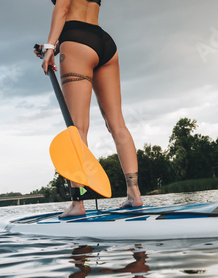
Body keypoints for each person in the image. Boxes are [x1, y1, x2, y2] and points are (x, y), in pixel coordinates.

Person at [36, 0, 142, 217]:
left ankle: (77, 203)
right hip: (104, 42)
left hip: (76, 41)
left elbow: (64, 8)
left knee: (78, 130)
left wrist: (49, 48)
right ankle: (134, 194)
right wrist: (55, 47)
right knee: (117, 124)